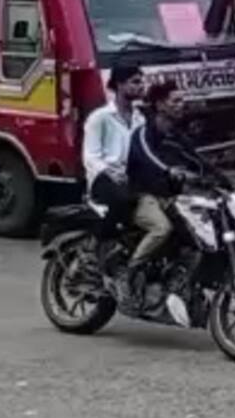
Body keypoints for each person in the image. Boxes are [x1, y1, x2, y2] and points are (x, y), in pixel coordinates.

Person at [124, 81, 194, 271]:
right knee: (162, 229)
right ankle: (130, 273)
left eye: (183, 100)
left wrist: (230, 185)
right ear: (160, 105)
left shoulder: (177, 135)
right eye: (176, 101)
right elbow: (147, 156)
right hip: (142, 196)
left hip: (169, 197)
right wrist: (167, 170)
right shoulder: (144, 132)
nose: (182, 104)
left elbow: (199, 162)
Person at [82, 63, 145, 213]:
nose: (141, 86)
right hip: (104, 180)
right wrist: (111, 175)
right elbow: (90, 157)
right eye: (135, 82)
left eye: (141, 82)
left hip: (131, 179)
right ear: (120, 85)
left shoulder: (140, 118)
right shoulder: (100, 117)